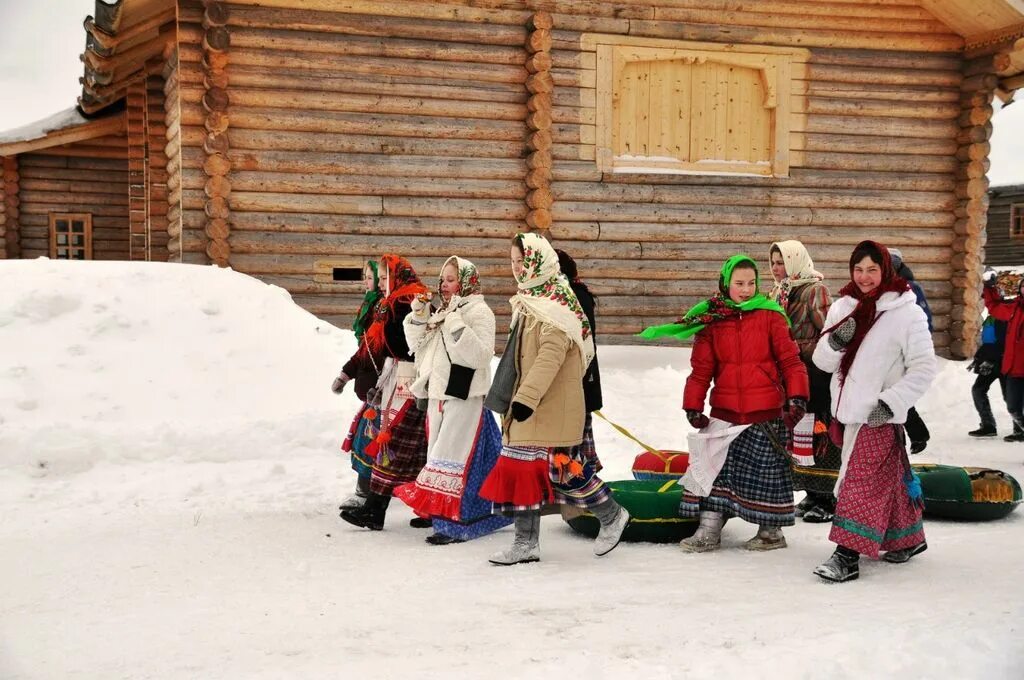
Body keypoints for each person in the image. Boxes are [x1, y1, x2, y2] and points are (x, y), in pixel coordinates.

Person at [479, 233, 630, 565]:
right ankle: (526, 542)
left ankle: (611, 514)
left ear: (539, 261)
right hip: (535, 404)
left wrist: (525, 399)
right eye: (514, 261)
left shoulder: (556, 304)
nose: (517, 268)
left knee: (561, 471)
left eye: (523, 261)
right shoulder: (530, 299)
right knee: (524, 469)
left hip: (547, 403)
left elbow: (550, 354)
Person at [642, 254, 809, 553]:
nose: (746, 290)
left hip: (765, 413)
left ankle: (771, 533)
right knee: (715, 470)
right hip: (725, 412)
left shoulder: (770, 315)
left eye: (751, 283)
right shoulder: (712, 319)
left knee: (765, 474)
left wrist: (797, 396)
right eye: (739, 283)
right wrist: (692, 405)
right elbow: (701, 370)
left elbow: (791, 361)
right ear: (725, 283)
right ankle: (709, 530)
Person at [812, 241, 936, 583]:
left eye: (872, 270)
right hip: (848, 412)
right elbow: (822, 361)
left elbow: (924, 367)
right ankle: (908, 538)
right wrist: (836, 342)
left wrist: (891, 403)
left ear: (886, 270)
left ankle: (846, 556)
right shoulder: (843, 307)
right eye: (858, 269)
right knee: (886, 477)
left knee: (859, 481)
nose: (865, 278)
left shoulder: (906, 312)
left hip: (878, 414)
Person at [393, 256, 512, 544]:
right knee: (437, 454)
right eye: (442, 280)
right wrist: (419, 317)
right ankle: (439, 512)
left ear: (467, 281)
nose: (444, 285)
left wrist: (457, 322)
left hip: (464, 395)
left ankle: (452, 524)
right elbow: (418, 348)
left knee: (451, 457)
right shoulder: (443, 311)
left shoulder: (479, 312)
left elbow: (481, 355)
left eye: (450, 279)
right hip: (437, 393)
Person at [340, 254, 430, 531]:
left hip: (411, 383)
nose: (379, 284)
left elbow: (407, 345)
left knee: (397, 445)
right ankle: (382, 510)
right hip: (396, 379)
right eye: (377, 279)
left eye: (383, 278)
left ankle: (376, 509)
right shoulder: (391, 303)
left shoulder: (408, 302)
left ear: (396, 277)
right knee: (408, 448)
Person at [768, 241, 837, 523]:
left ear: (796, 261)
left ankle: (828, 497)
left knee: (821, 436)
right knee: (798, 436)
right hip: (789, 374)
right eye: (772, 262)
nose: (776, 268)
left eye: (781, 261)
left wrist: (806, 352)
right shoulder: (779, 292)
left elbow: (830, 332)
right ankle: (811, 491)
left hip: (814, 374)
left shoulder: (814, 290)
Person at [334, 261, 384, 510]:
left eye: (371, 277)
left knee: (371, 439)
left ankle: (365, 494)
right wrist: (346, 374)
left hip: (383, 388)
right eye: (366, 277)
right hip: (371, 387)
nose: (367, 281)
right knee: (374, 440)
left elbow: (387, 352)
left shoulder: (384, 310)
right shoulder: (371, 305)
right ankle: (373, 492)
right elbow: (365, 349)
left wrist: (384, 385)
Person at [889, 248, 932, 454]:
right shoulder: (881, 287)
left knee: (898, 394)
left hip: (903, 350)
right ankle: (917, 435)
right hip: (888, 349)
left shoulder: (910, 287)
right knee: (893, 393)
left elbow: (923, 319)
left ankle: (916, 436)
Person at [982, 268, 1024, 439]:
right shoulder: (1014, 307)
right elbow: (994, 307)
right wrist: (989, 287)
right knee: (1013, 407)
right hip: (1014, 369)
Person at [967, 312, 1022, 440]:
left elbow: (1006, 342)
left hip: (1005, 362)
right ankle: (988, 425)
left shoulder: (1008, 314)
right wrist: (980, 357)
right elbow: (988, 341)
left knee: (1010, 397)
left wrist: (992, 359)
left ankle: (1020, 429)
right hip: (991, 360)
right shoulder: (992, 316)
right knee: (978, 390)